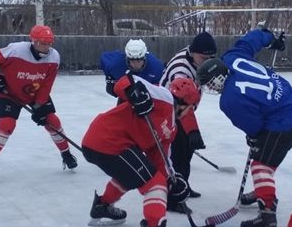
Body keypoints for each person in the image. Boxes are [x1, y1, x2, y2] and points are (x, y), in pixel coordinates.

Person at [196, 28, 292, 227]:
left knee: (260, 164)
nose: (210, 89)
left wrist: (254, 137)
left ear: (219, 77)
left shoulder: (230, 100)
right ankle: (263, 189)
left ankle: (267, 214)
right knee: (267, 156)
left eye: (210, 84)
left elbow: (254, 127)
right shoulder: (232, 56)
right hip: (289, 100)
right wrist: (271, 39)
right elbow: (251, 38)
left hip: (283, 119)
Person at [81, 75, 201, 227]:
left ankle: (102, 206)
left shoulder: (171, 129)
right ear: (186, 103)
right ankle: (153, 223)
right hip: (107, 138)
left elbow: (160, 161)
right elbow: (126, 80)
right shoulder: (165, 97)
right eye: (192, 107)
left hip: (112, 144)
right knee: (155, 184)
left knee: (135, 175)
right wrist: (133, 91)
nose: (190, 112)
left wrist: (173, 181)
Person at [0, 25, 77, 182]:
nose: (47, 47)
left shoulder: (54, 57)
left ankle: (66, 154)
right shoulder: (16, 50)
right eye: (43, 43)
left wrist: (39, 105)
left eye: (50, 43)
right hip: (9, 93)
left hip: (36, 93)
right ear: (34, 42)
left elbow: (47, 84)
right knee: (6, 125)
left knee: (52, 121)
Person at [159, 31, 217, 213]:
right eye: (203, 57)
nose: (207, 61)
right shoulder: (181, 71)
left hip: (182, 111)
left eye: (210, 58)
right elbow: (183, 100)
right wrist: (193, 131)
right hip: (170, 114)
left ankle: (183, 186)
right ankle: (172, 198)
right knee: (178, 155)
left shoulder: (194, 56)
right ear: (192, 53)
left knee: (187, 152)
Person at [100, 39, 165, 100]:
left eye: (139, 61)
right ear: (127, 59)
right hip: (127, 97)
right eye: (133, 61)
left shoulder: (156, 67)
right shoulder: (116, 63)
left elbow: (162, 90)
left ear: (144, 58)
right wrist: (110, 79)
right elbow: (104, 58)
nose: (136, 65)